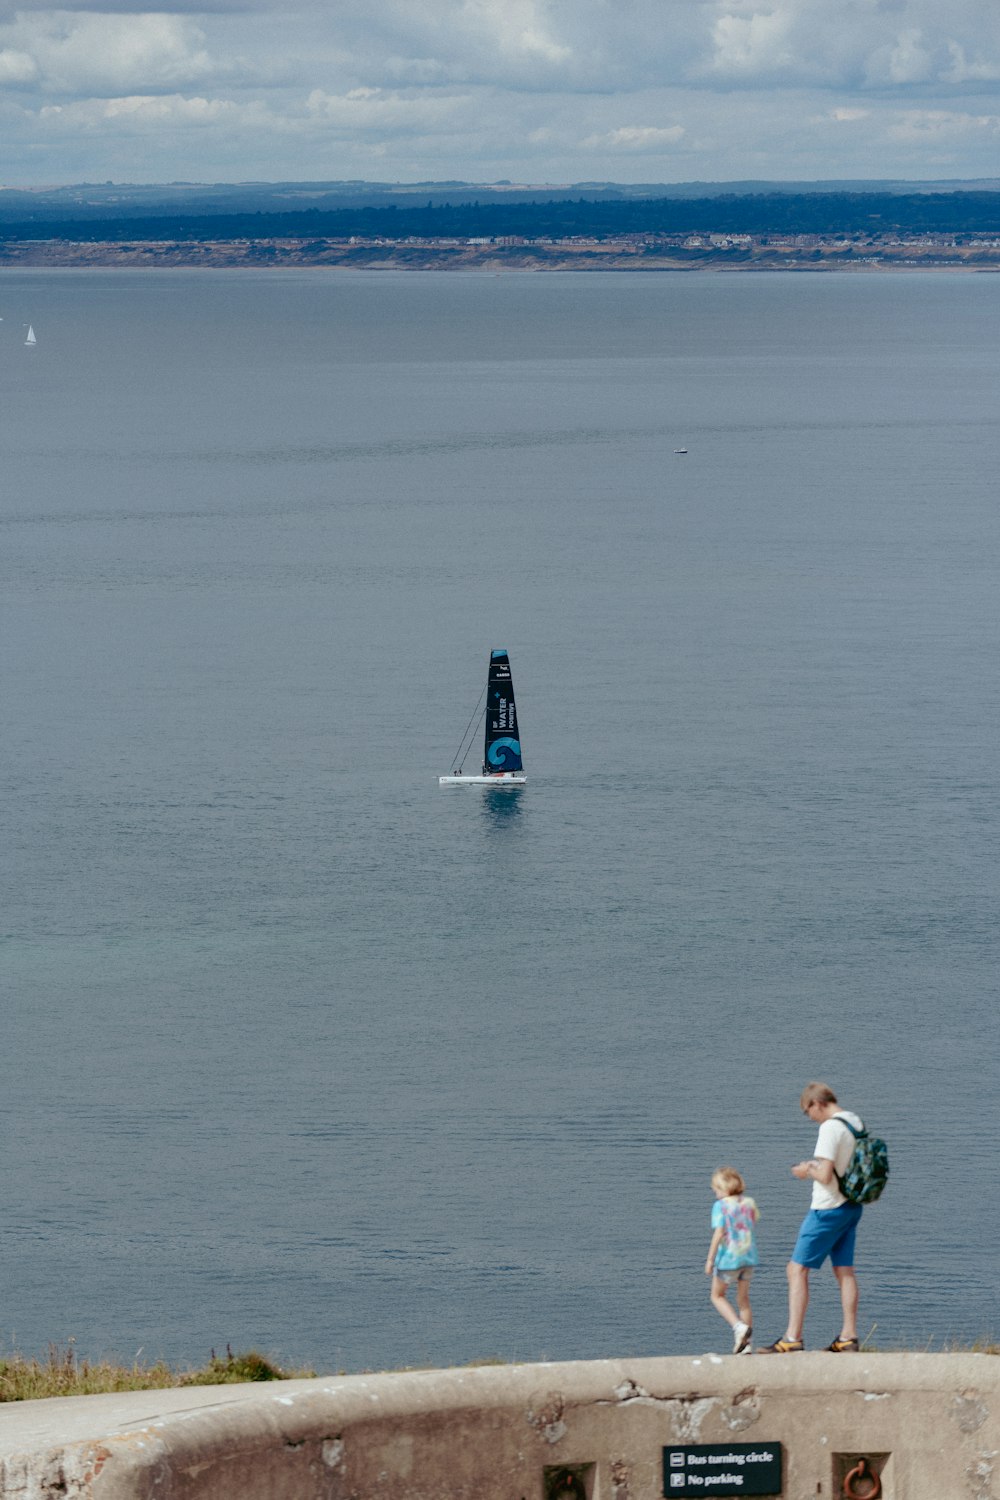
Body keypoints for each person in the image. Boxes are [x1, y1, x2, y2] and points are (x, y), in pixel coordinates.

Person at [759, 1081, 865, 1353]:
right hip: (852, 1205)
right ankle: (848, 1337)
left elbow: (826, 1174)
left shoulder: (830, 1127)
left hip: (827, 1208)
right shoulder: (854, 1121)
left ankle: (792, 1338)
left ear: (817, 1103)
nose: (810, 1118)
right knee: (845, 1271)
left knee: (796, 1269)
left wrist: (806, 1169)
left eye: (808, 1112)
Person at [704, 1166, 759, 1354]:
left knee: (717, 1296)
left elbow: (719, 1233)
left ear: (725, 1189)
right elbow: (751, 1224)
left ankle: (738, 1327)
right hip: (749, 1257)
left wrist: (710, 1260)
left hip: (728, 1259)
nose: (715, 1193)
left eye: (716, 1189)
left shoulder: (720, 1206)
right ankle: (746, 1344)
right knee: (743, 1300)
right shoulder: (749, 1203)